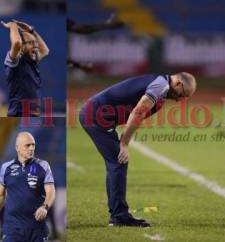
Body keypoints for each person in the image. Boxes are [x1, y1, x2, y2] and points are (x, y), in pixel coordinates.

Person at [79, 72, 196, 227]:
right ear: (178, 83)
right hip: (94, 115)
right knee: (118, 160)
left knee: (116, 161)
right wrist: (124, 144)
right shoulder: (161, 86)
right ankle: (119, 216)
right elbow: (138, 112)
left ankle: (117, 214)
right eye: (182, 95)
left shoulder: (161, 86)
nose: (178, 100)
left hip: (98, 115)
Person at [0, 132, 55, 241]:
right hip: (12, 229)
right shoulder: (6, 167)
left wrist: (45, 207)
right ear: (17, 148)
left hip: (37, 228)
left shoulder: (43, 166)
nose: (31, 148)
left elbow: (51, 191)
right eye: (27, 145)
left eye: (33, 145)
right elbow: (1, 195)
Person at [1, 20, 49, 117]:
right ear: (22, 47)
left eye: (35, 42)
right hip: (19, 112)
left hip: (33, 112)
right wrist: (13, 25)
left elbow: (45, 50)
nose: (35, 45)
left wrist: (32, 31)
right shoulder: (14, 61)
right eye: (31, 42)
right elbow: (16, 43)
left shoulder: (32, 60)